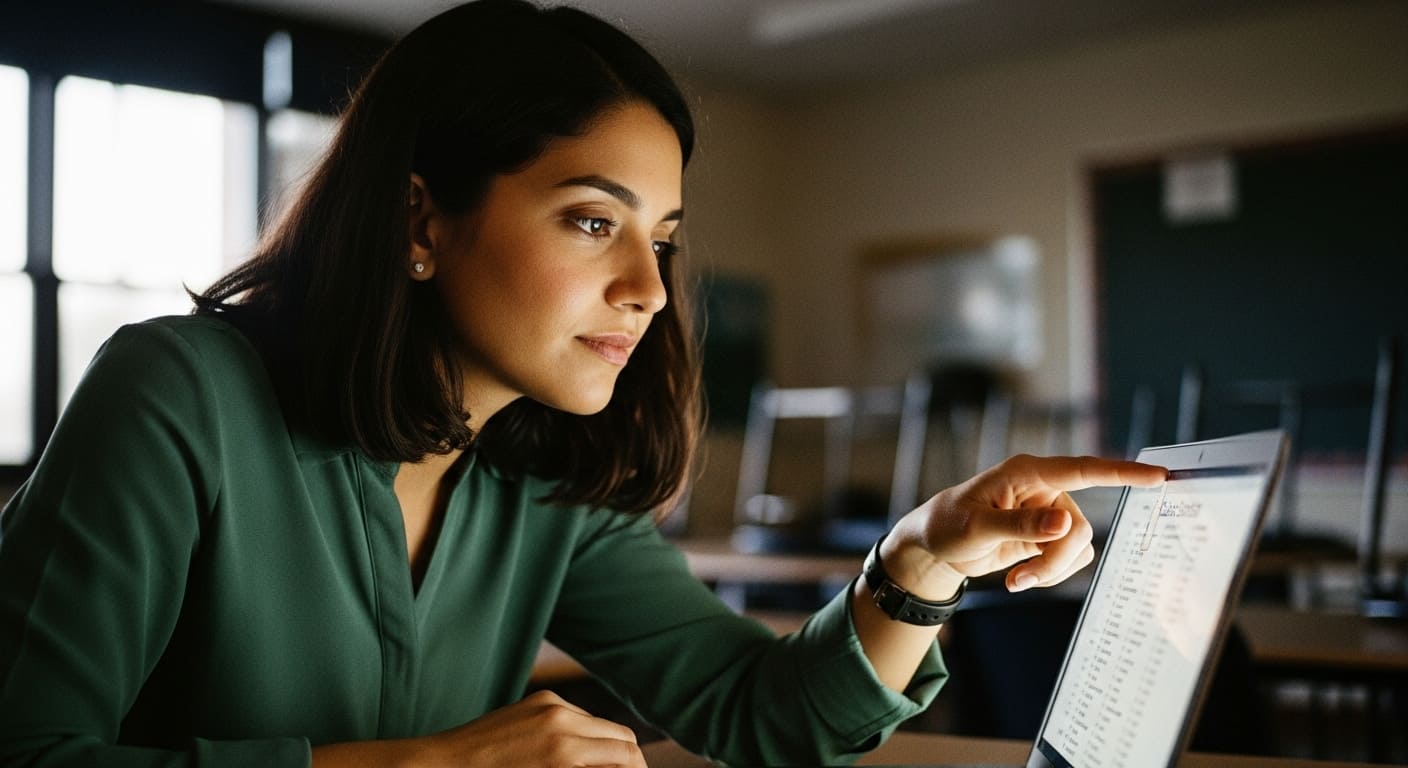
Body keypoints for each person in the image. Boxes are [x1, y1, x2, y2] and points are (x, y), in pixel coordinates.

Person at [0, 1, 1166, 766]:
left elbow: (767, 716)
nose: (648, 288)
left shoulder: (535, 475)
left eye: (658, 236)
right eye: (591, 219)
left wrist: (918, 563)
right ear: (422, 219)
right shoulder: (177, 393)